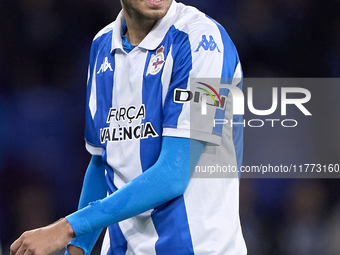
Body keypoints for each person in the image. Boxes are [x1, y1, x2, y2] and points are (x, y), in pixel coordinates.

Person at [10, 0, 246, 254]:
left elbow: (174, 172)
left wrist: (67, 227)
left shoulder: (203, 41)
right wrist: (76, 248)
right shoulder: (102, 46)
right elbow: (103, 163)